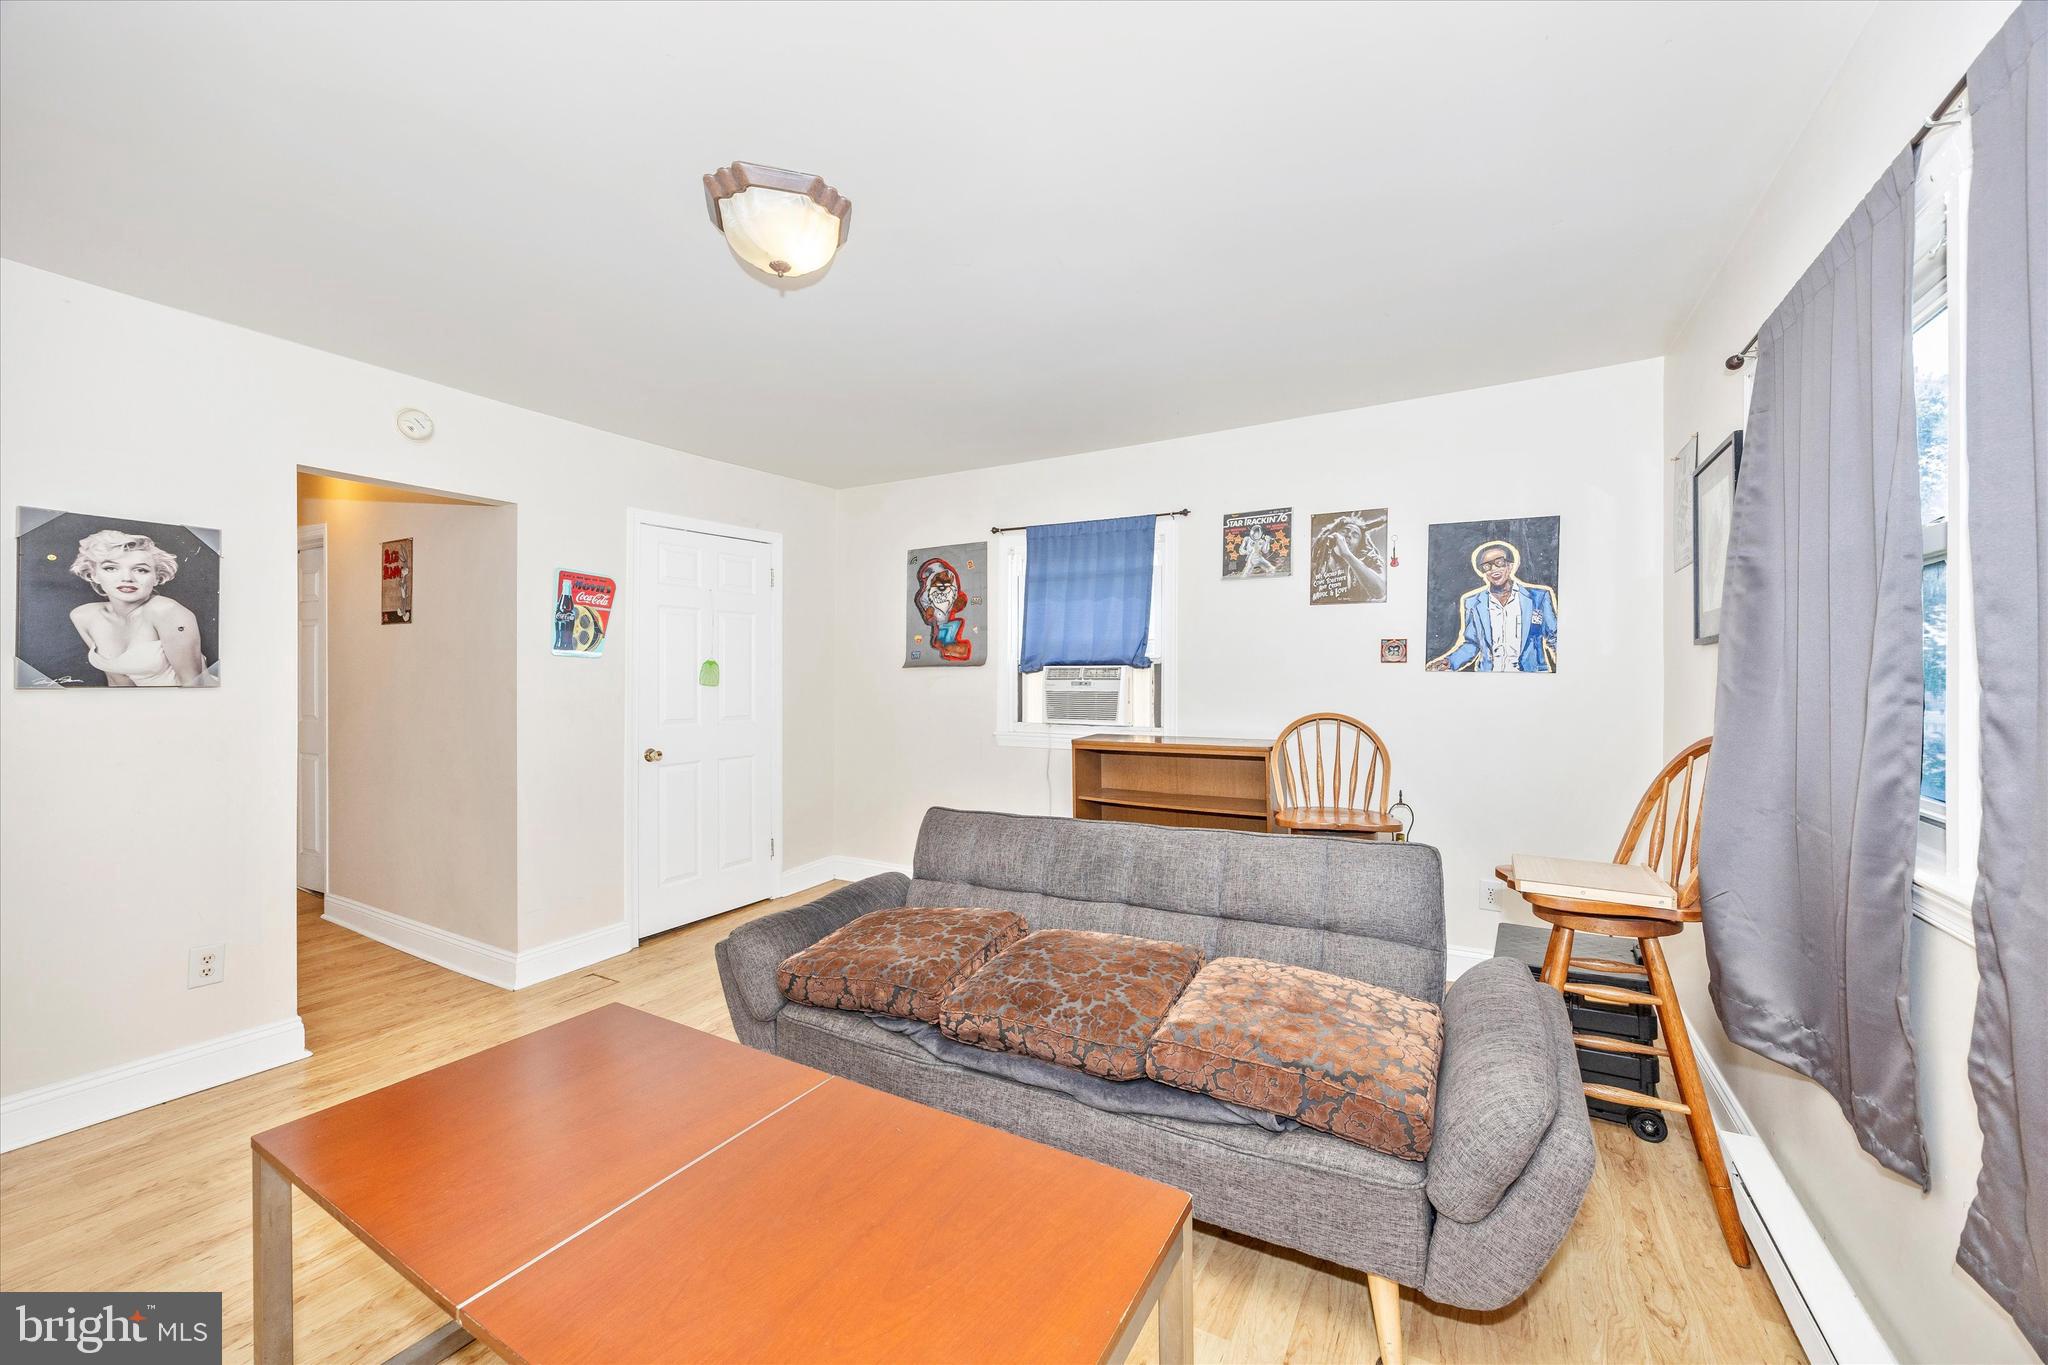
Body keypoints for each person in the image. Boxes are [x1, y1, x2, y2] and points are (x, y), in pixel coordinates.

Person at [67, 529, 210, 686]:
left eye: (141, 570)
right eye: (111, 568)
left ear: (157, 577)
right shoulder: (83, 616)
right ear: (93, 575)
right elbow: (118, 682)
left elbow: (193, 684)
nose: (127, 578)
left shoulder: (167, 612)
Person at [1426, 539, 1558, 672]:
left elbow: (1555, 637)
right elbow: (1472, 644)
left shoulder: (1538, 597)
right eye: (1486, 566)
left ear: (1510, 566)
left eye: (1499, 563)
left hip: (1531, 677)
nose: (1493, 569)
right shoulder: (1472, 602)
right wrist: (1450, 662)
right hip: (1488, 677)